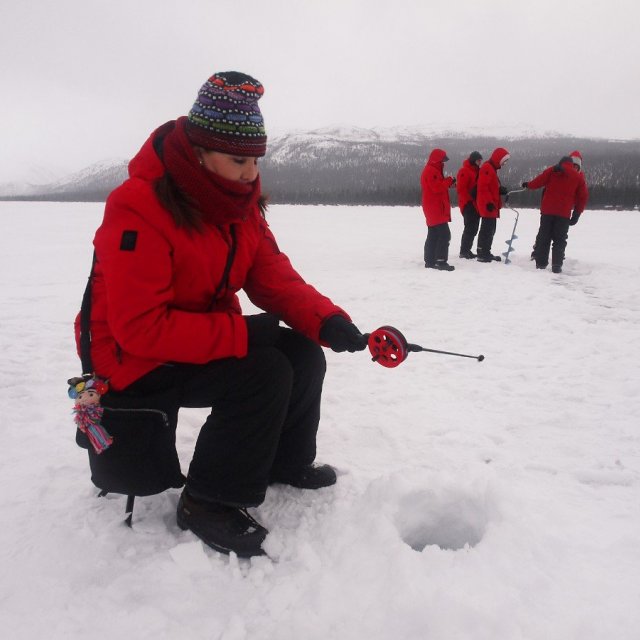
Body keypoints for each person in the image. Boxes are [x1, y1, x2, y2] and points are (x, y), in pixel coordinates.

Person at [74, 71, 368, 557]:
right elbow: (138, 329)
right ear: (200, 153)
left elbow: (272, 275)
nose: (251, 174)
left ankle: (283, 462)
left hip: (191, 338)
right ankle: (209, 501)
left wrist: (326, 321)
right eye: (239, 161)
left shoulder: (238, 205)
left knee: (302, 353)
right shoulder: (139, 208)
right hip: (131, 357)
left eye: (256, 161)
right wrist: (241, 333)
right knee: (262, 371)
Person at [522, 151, 588, 273]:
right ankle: (557, 265)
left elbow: (539, 181)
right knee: (560, 239)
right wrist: (577, 214)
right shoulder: (578, 177)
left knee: (544, 237)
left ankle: (541, 264)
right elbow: (582, 197)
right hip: (564, 214)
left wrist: (528, 185)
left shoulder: (553, 170)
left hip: (547, 211)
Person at [420, 148, 456, 271]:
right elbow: (437, 188)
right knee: (444, 235)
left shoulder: (433, 170)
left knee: (434, 234)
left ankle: (430, 261)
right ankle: (440, 261)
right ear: (437, 160)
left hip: (433, 207)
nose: (444, 163)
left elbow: (437, 186)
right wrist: (449, 180)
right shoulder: (431, 171)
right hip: (435, 208)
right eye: (442, 160)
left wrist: (448, 183)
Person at [476, 147, 510, 262]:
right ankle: (482, 253)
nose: (504, 163)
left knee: (491, 229)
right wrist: (489, 202)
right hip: (488, 206)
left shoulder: (492, 168)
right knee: (487, 229)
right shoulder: (487, 168)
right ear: (498, 159)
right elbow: (483, 187)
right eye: (504, 161)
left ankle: (486, 251)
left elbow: (491, 186)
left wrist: (500, 190)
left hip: (491, 205)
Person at [456, 151, 483, 259]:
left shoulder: (477, 171)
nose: (480, 163)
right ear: (473, 160)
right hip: (468, 204)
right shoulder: (465, 171)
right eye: (478, 161)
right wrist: (469, 201)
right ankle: (464, 251)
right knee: (470, 228)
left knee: (474, 228)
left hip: (475, 204)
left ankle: (467, 250)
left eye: (481, 161)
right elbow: (461, 189)